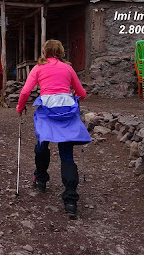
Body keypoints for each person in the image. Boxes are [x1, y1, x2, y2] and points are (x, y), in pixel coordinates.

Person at [16, 39, 91, 218]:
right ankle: (71, 200)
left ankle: (41, 179)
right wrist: (74, 101)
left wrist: (19, 107)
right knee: (67, 154)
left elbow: (26, 91)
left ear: (44, 52)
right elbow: (82, 93)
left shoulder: (38, 68)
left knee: (42, 145)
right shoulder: (68, 68)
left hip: (47, 110)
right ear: (61, 52)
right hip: (66, 110)